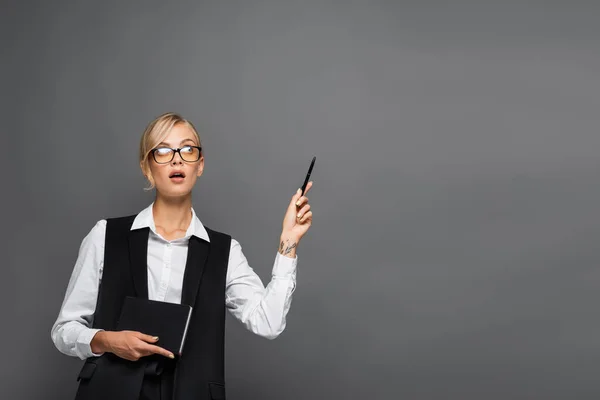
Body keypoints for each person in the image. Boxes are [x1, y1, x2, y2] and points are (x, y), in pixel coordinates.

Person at [50, 112, 314, 400]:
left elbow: (269, 322)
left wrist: (288, 242)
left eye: (188, 149)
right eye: (162, 151)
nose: (177, 159)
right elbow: (65, 330)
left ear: (199, 165)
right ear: (147, 167)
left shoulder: (224, 251)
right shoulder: (105, 236)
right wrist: (106, 341)